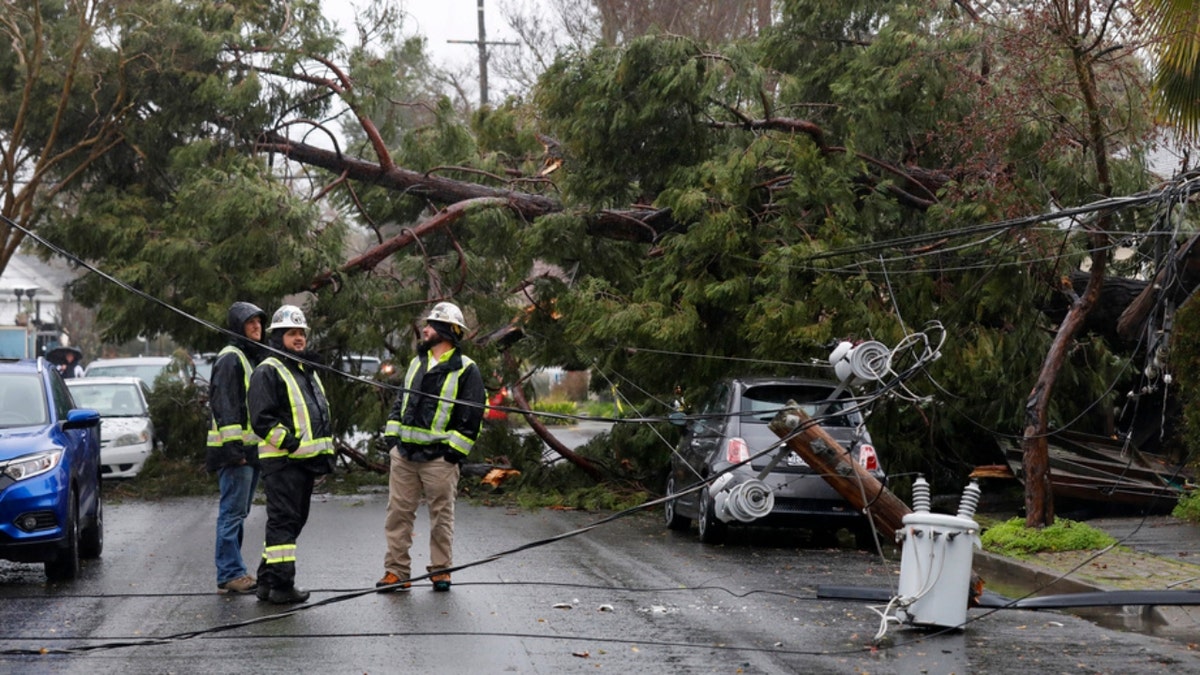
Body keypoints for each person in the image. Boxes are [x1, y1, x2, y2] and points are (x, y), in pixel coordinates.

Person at [377, 301, 484, 593]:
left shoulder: (466, 370)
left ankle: (441, 571)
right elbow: (401, 402)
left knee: (441, 517)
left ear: (446, 331)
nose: (424, 330)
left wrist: (453, 454)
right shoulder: (417, 363)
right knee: (398, 515)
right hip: (405, 455)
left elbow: (472, 417)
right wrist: (393, 440)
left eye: (430, 325)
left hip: (439, 459)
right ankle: (396, 573)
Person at [248, 304, 334, 604]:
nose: (299, 338)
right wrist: (292, 444)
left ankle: (266, 581)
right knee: (284, 523)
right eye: (292, 333)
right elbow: (262, 419)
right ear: (278, 336)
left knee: (292, 522)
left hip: (304, 463)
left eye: (302, 333)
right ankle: (282, 587)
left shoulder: (302, 369)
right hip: (283, 462)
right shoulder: (268, 370)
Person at [205, 302, 267, 595]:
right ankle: (230, 572)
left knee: (238, 513)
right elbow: (225, 404)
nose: (257, 327)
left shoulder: (247, 356)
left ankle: (235, 570)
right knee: (232, 513)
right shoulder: (232, 358)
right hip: (236, 453)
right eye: (250, 322)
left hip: (248, 452)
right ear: (237, 326)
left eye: (259, 322)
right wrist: (234, 449)